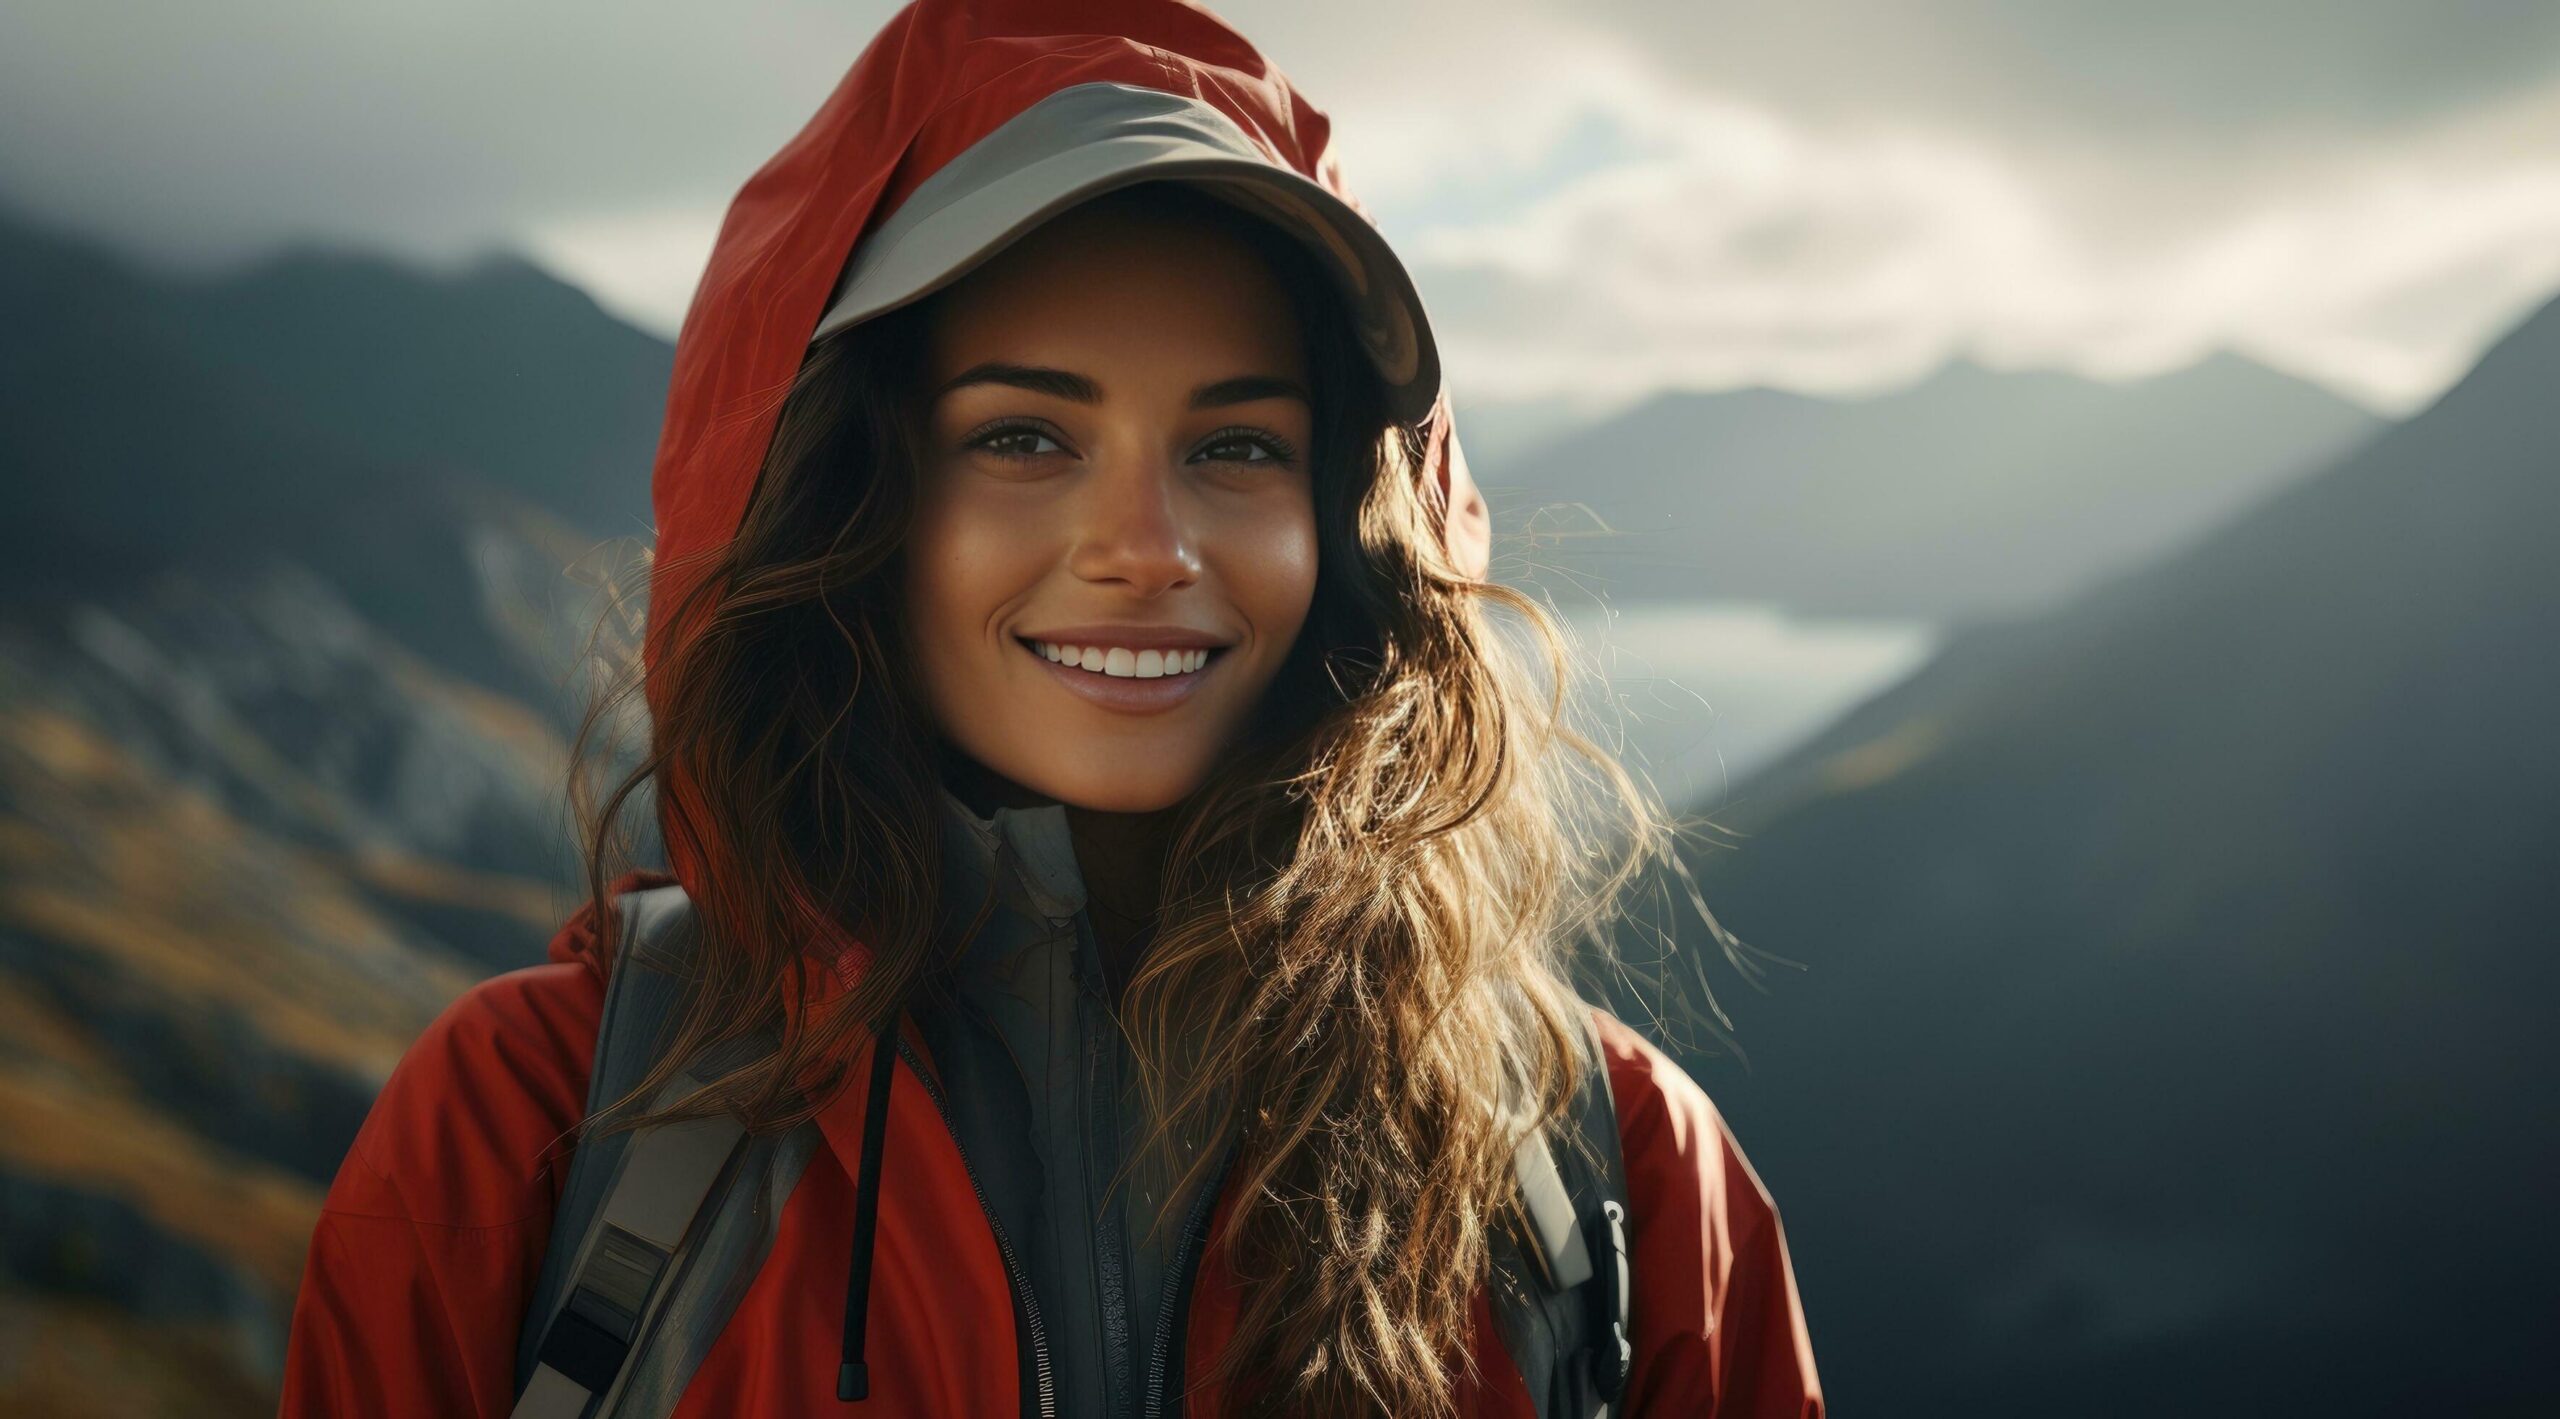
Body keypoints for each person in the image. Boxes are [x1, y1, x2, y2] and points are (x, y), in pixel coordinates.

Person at [278, 2, 1823, 1415]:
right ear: (842, 501)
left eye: (1239, 449)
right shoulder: (532, 1135)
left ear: (1357, 522)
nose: (1147, 546)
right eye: (1023, 437)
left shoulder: (1609, 1174)